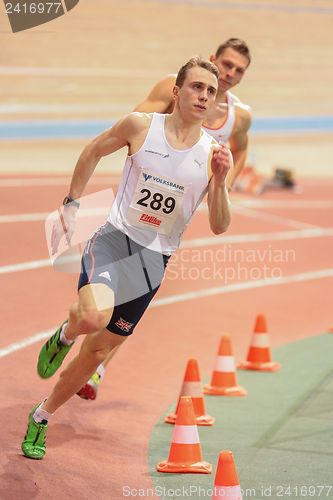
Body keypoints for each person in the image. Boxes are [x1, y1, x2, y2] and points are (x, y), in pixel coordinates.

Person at [21, 56, 232, 459]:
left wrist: (220, 181)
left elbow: (221, 224)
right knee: (91, 317)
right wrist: (71, 203)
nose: (204, 96)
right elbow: (93, 150)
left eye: (210, 90)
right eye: (196, 87)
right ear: (177, 91)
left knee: (97, 353)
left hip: (153, 263)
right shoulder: (141, 126)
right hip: (115, 241)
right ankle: (64, 335)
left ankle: (42, 416)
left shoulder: (214, 155)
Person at [77, 37, 251, 401]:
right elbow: (139, 122)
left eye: (239, 70)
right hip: (147, 185)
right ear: (212, 59)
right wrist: (149, 151)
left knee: (133, 299)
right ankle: (80, 342)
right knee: (103, 300)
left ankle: (98, 366)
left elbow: (241, 147)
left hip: (176, 211)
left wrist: (224, 185)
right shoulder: (173, 88)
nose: (232, 74)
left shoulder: (239, 116)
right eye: (228, 65)